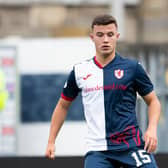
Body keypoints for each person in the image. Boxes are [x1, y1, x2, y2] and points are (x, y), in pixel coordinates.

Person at [45, 14, 161, 167]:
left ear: (117, 36)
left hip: (132, 146)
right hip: (98, 150)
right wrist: (51, 141)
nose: (105, 40)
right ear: (92, 37)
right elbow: (62, 105)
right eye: (100, 35)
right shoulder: (80, 71)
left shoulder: (132, 68)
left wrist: (152, 129)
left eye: (110, 35)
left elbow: (153, 101)